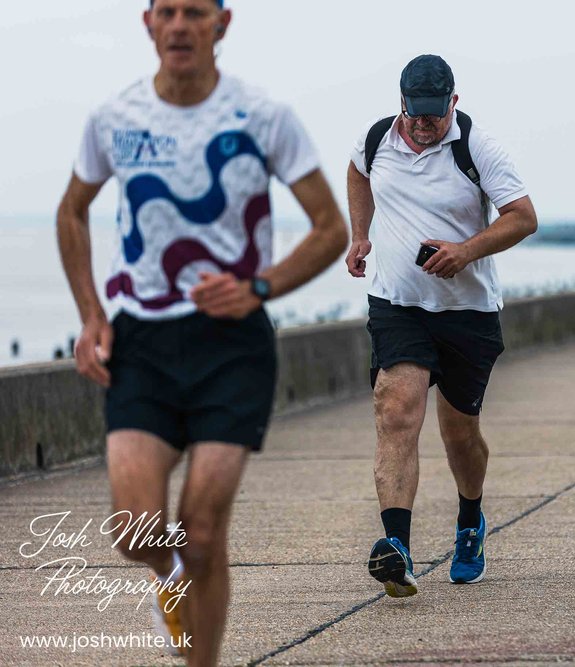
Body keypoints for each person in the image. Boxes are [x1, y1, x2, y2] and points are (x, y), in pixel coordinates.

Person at [55, 1, 348, 663]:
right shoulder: (114, 118)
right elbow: (72, 212)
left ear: (223, 24)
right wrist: (92, 314)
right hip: (142, 344)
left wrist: (261, 286)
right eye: (169, 12)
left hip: (232, 346)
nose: (181, 25)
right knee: (136, 528)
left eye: (195, 12)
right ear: (148, 24)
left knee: (204, 532)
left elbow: (332, 228)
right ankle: (169, 579)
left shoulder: (263, 116)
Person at [346, 54, 537, 597]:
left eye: (435, 113)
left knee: (459, 433)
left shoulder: (478, 148)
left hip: (468, 314)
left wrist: (464, 251)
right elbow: (357, 172)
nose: (424, 124)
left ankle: (471, 521)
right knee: (396, 406)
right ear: (400, 101)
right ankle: (397, 549)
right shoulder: (378, 137)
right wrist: (360, 235)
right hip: (398, 306)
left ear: (453, 101)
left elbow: (523, 217)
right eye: (415, 113)